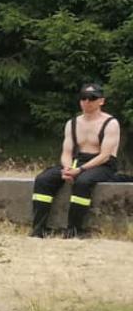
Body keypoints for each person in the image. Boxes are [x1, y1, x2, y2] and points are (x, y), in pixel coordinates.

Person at [30, 83, 120, 238]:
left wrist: (80, 170)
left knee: (83, 182)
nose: (87, 101)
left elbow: (105, 155)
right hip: (77, 161)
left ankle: (74, 230)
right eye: (83, 98)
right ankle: (39, 229)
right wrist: (67, 169)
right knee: (43, 179)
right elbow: (66, 152)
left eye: (92, 98)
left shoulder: (111, 123)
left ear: (101, 101)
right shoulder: (72, 123)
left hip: (102, 164)